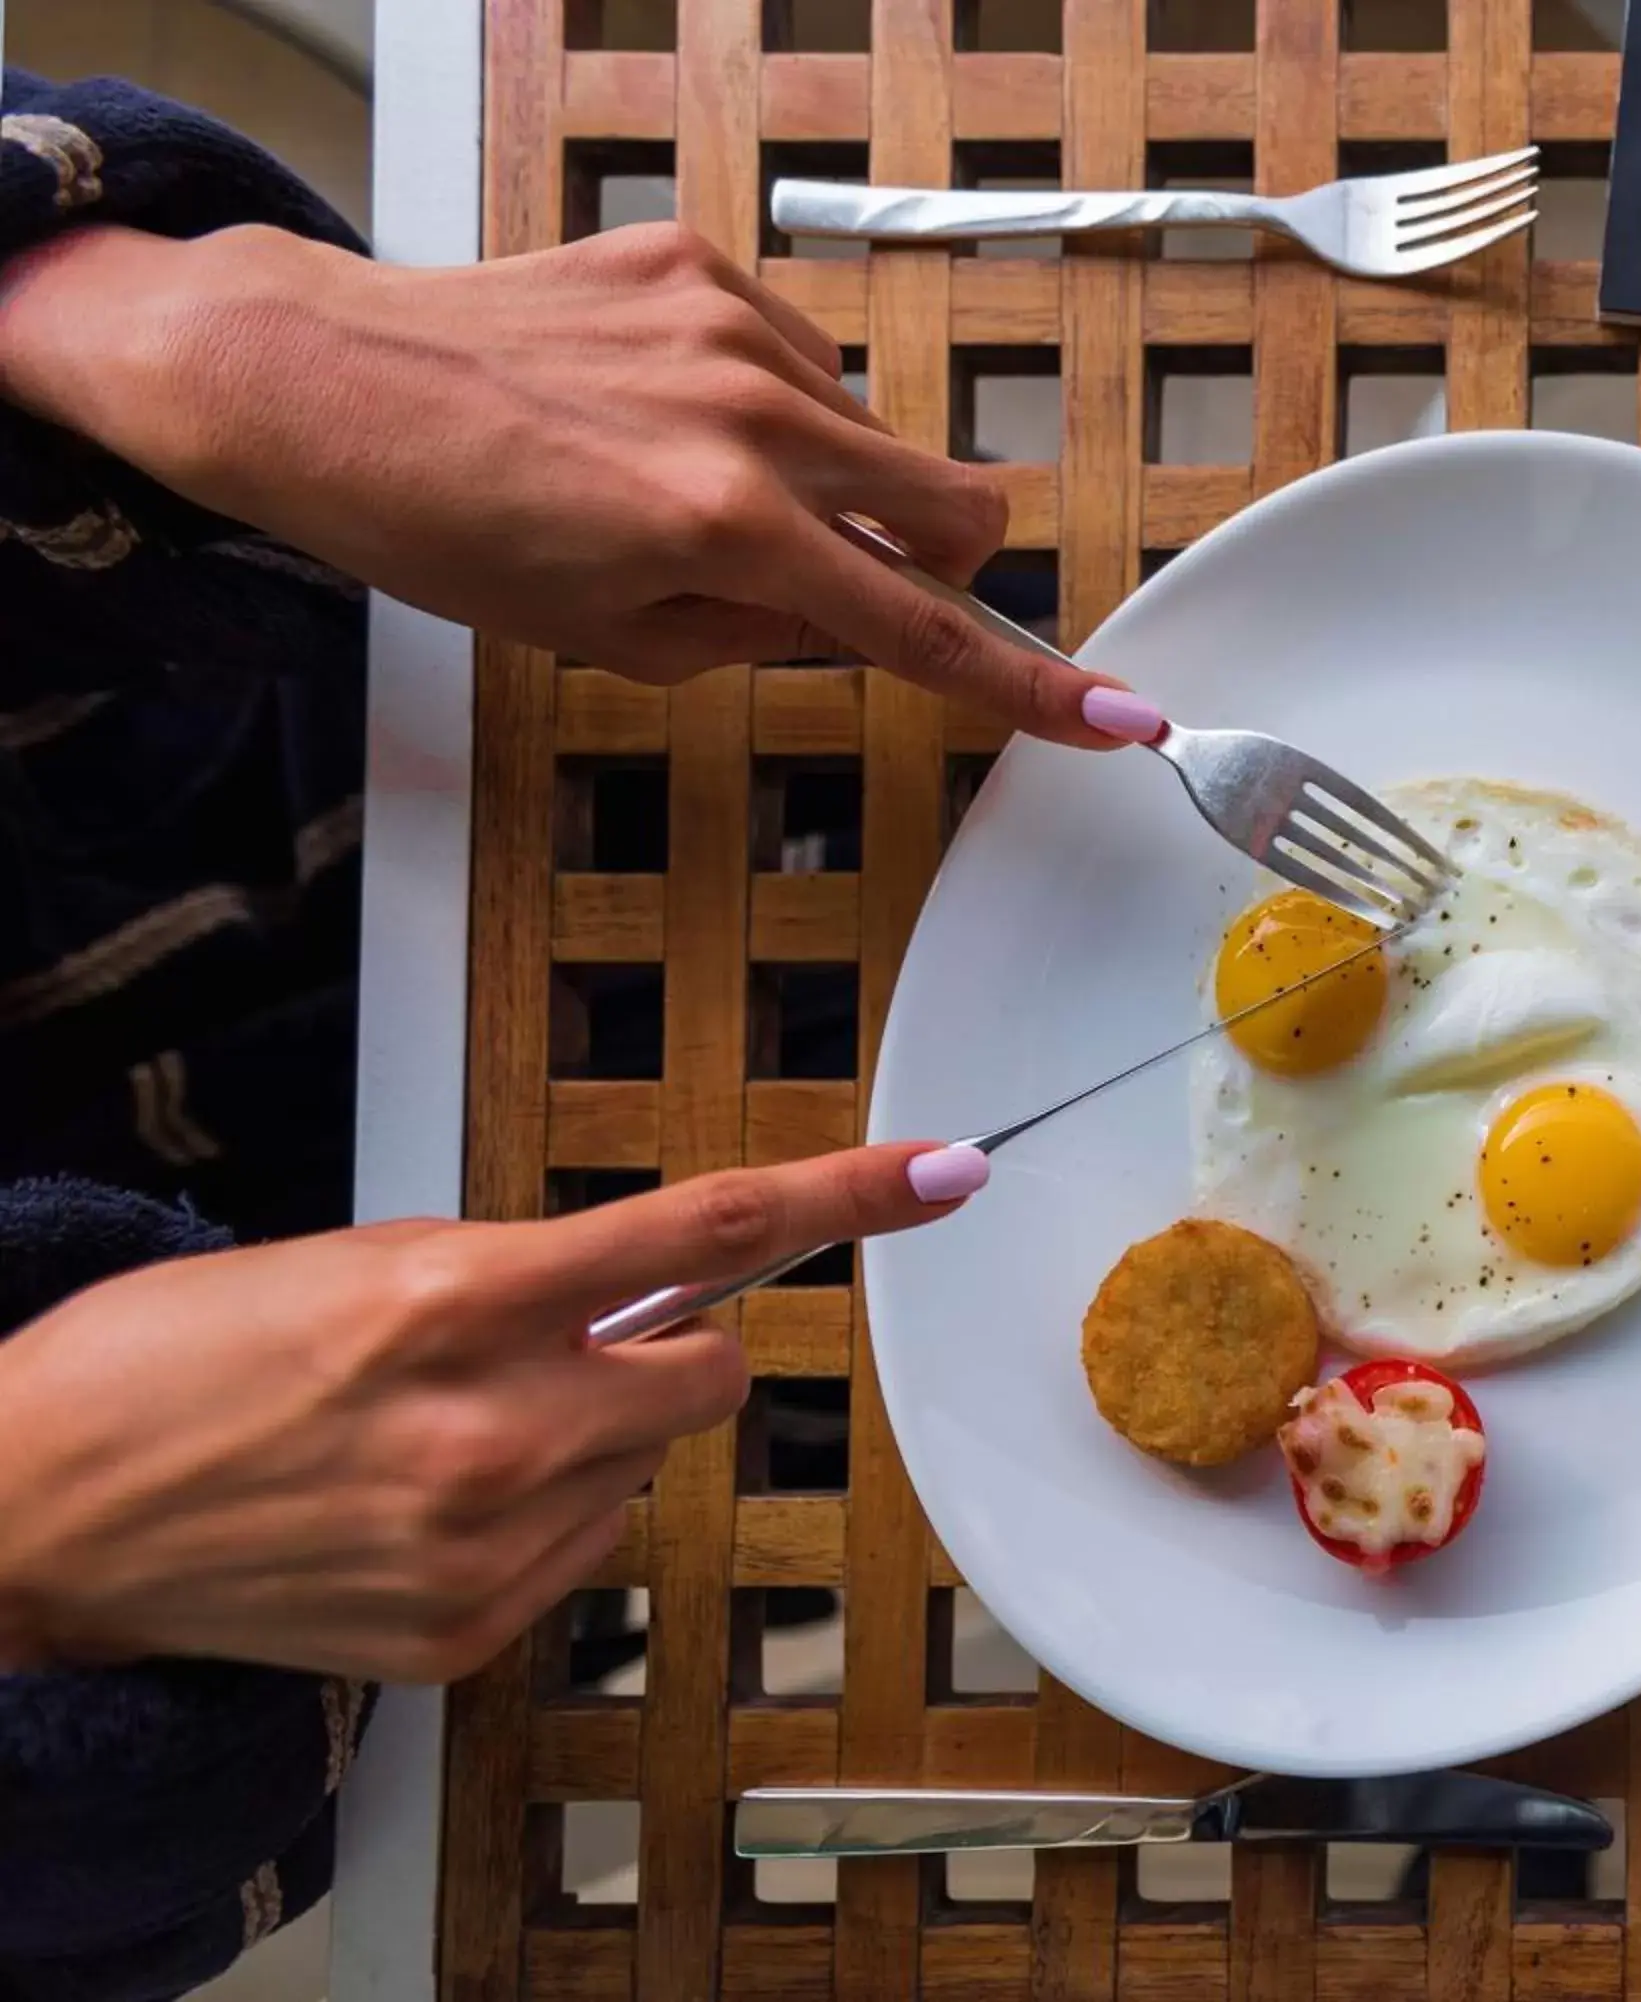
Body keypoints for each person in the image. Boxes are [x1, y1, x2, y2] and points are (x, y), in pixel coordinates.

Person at [0, 67, 1161, 1995]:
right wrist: (35, 1528)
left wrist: (112, 315)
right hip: (415, 1472)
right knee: (828, 1442)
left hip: (349, 675)